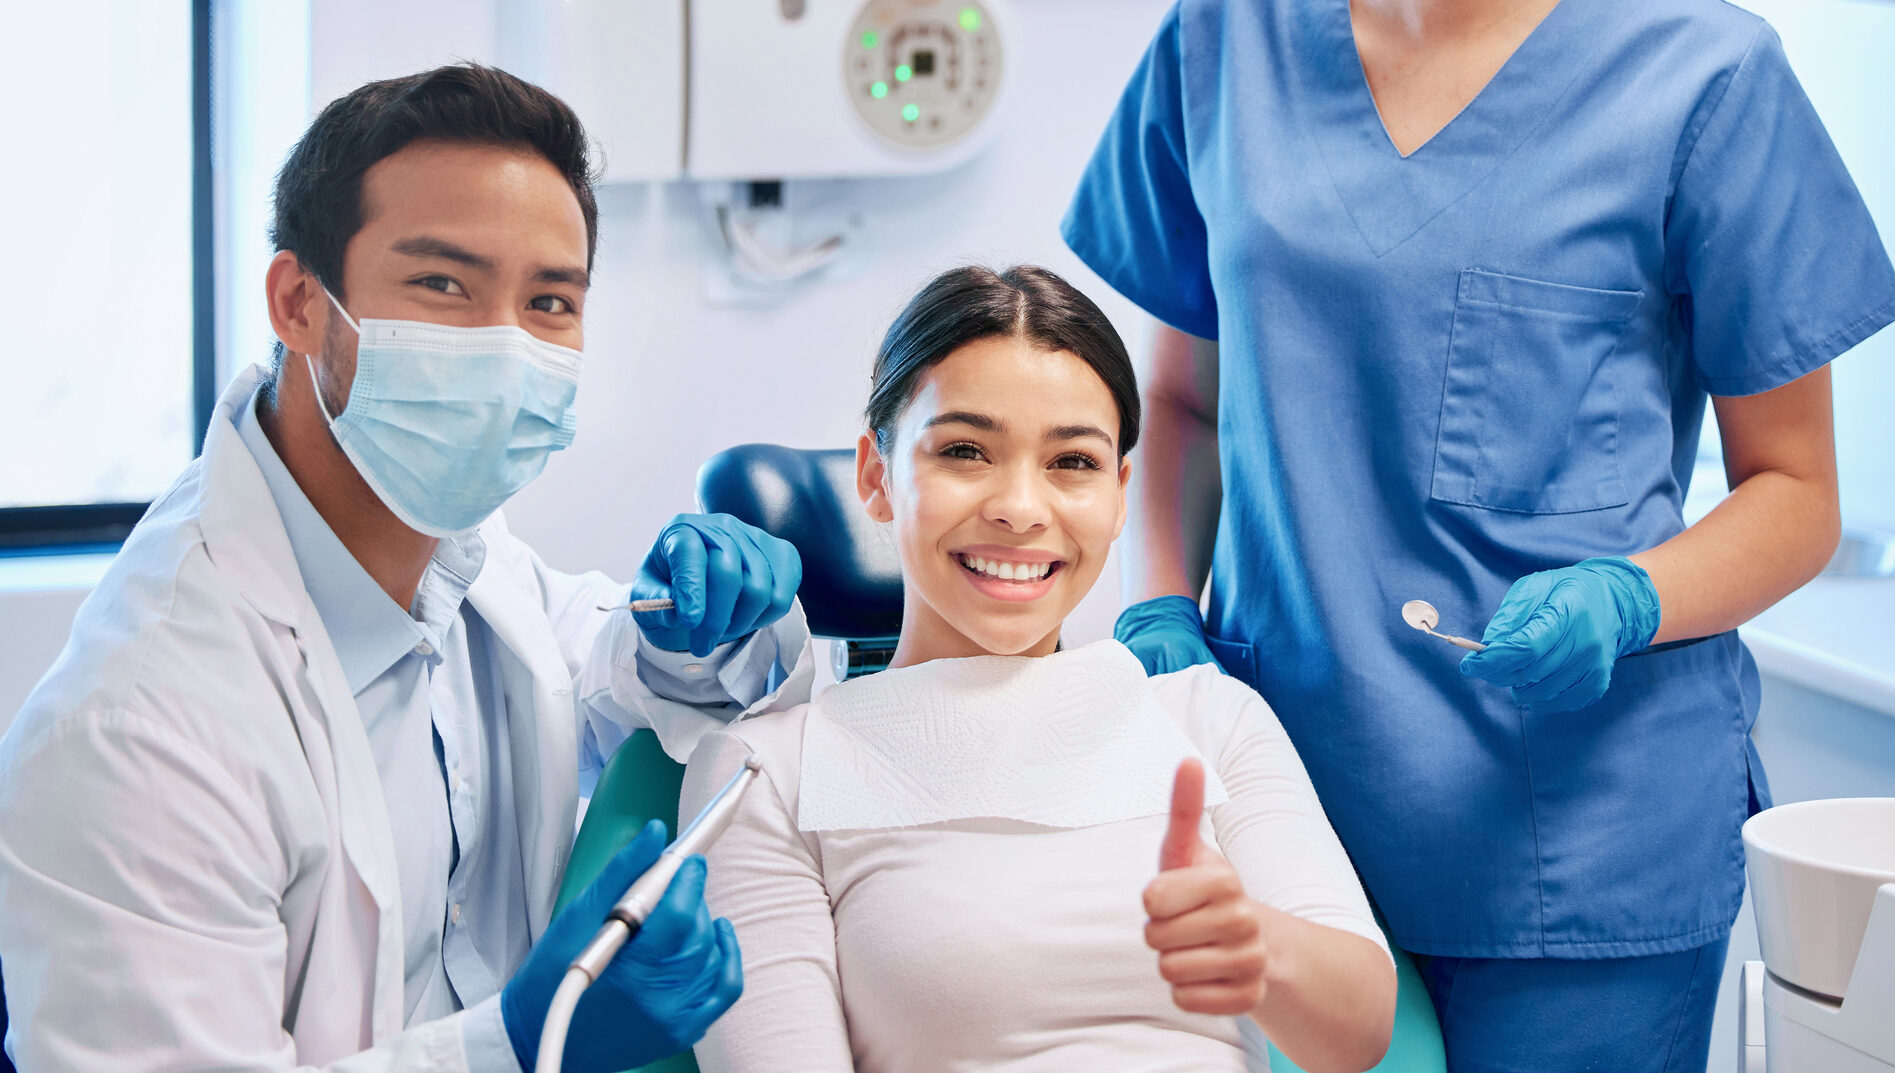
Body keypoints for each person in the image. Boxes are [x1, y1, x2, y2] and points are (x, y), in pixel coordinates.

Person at [1061, 0, 1895, 1068]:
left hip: (1582, 840)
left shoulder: (1706, 72)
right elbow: (1184, 403)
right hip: (1290, 804)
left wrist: (1627, 596)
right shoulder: (1224, 39)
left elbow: (1795, 492)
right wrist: (1162, 603)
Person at [0, 65, 815, 1073]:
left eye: (550, 300)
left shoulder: (457, 551)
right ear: (300, 303)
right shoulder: (138, 724)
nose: (505, 346)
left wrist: (701, 630)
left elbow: (609, 676)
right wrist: (520, 1042)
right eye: (441, 284)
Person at [679, 265, 1396, 1073]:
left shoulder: (1207, 719)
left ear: (1121, 491)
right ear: (877, 476)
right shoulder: (767, 771)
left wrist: (1258, 943)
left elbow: (1360, 1033)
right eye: (964, 450)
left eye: (1073, 463)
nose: (1022, 507)